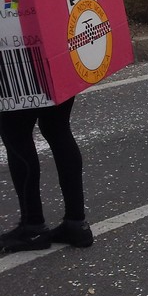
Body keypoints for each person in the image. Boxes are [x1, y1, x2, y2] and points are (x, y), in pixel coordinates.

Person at [0, 99, 94, 253]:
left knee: (15, 132)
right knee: (57, 127)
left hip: (23, 76)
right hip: (58, 74)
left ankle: (33, 227)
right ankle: (77, 224)